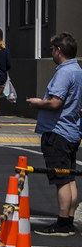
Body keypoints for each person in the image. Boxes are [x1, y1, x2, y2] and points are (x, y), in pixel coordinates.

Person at [26, 32, 82, 236]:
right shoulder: (77, 70)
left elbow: (55, 102)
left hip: (57, 132)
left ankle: (62, 223)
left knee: (61, 180)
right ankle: (68, 220)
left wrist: (37, 103)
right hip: (71, 130)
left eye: (51, 49)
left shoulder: (64, 72)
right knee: (69, 178)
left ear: (59, 50)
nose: (51, 52)